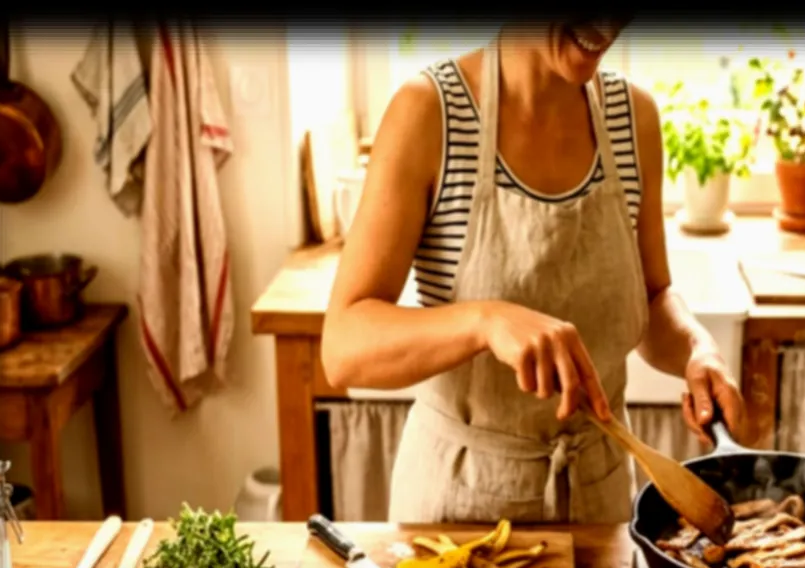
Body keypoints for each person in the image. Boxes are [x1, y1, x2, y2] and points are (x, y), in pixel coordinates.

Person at [321, 17, 751, 524]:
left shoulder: (633, 118)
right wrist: (485, 322)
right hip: (461, 513)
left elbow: (654, 297)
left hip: (601, 504)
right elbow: (344, 347)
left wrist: (698, 351)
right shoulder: (430, 113)